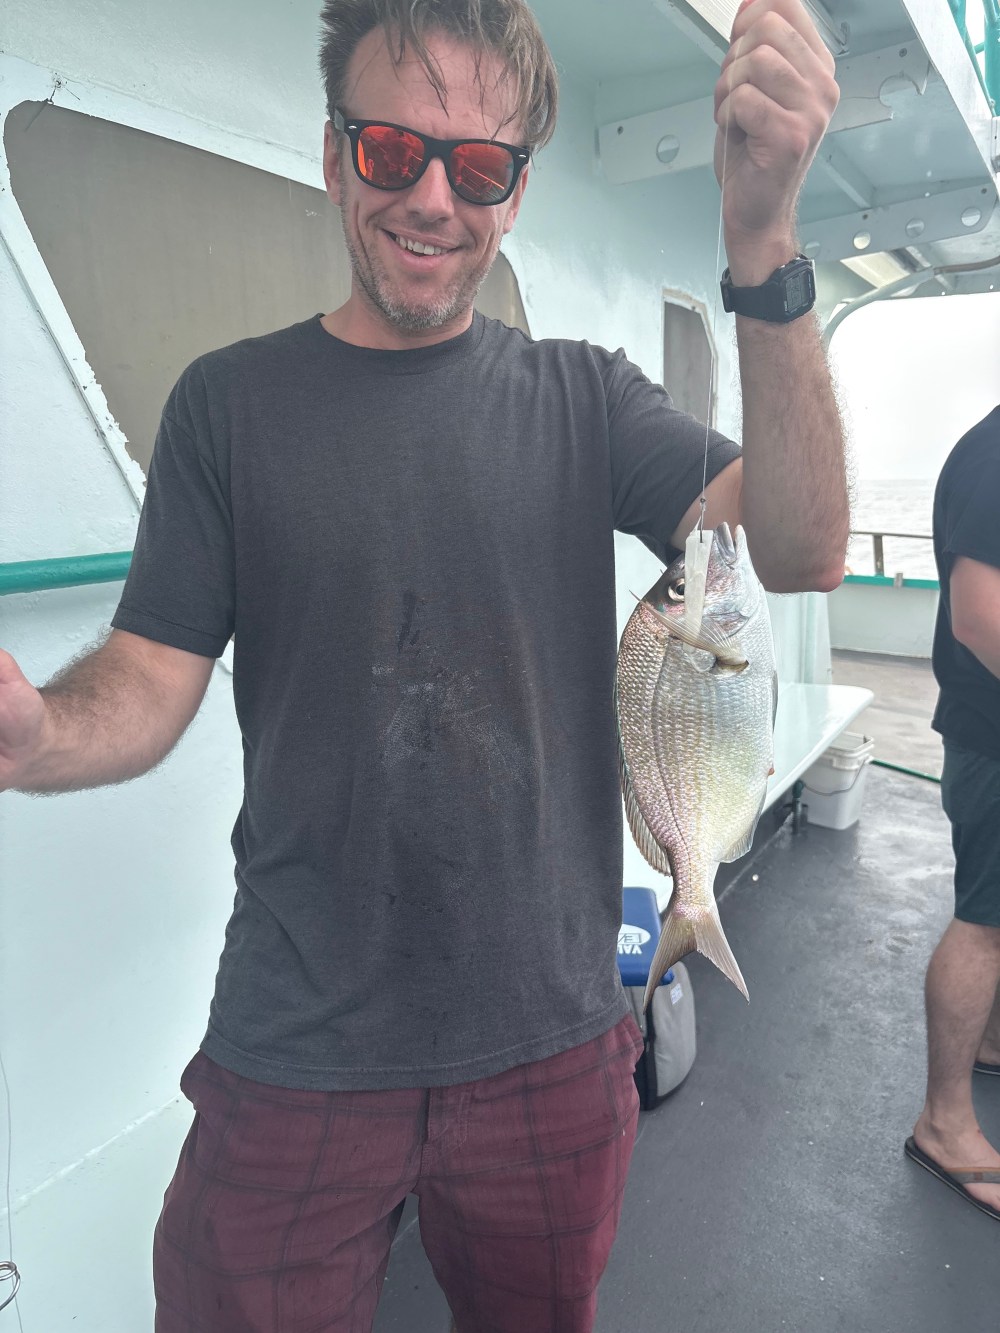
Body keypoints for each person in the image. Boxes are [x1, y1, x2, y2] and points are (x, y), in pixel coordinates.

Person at [0, 0, 849, 1326]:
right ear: (337, 155)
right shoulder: (228, 409)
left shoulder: (590, 399)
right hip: (294, 1038)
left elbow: (798, 545)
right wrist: (39, 734)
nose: (434, 197)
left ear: (515, 194)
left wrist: (765, 245)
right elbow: (149, 674)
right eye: (394, 151)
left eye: (481, 165)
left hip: (552, 1038)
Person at [906, 404, 1000, 1223]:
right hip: (995, 740)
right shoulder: (995, 454)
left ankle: (993, 1041)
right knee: (983, 922)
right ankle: (944, 1122)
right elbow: (978, 614)